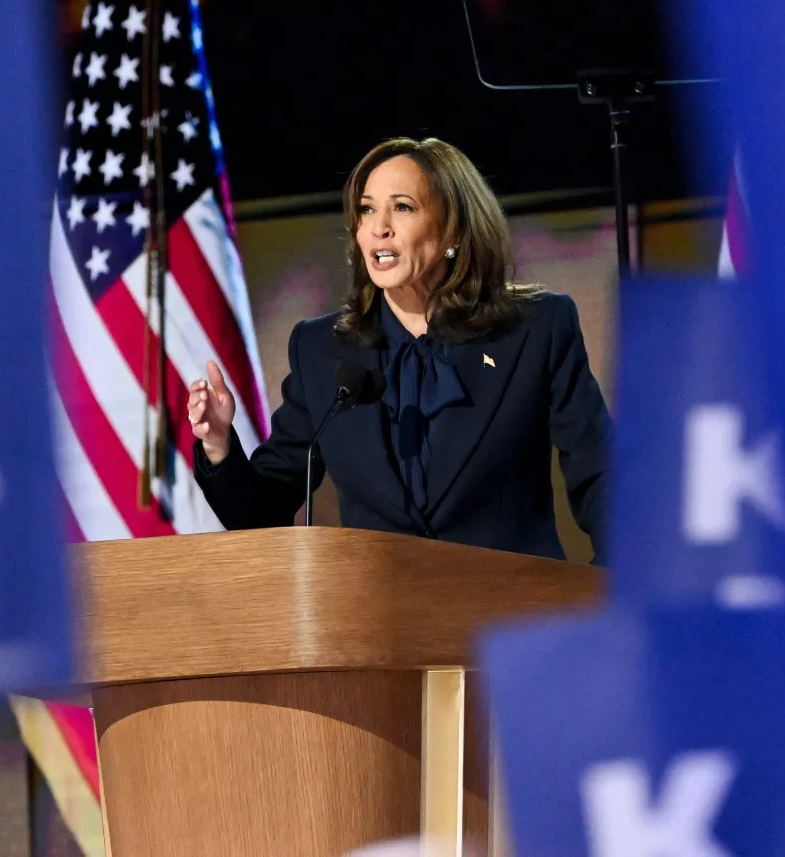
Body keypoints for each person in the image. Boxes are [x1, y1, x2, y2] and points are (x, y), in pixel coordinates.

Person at [186, 136, 610, 561]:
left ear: (454, 230)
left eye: (402, 207)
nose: (378, 226)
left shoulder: (534, 329)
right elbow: (263, 511)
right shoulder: (322, 350)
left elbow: (602, 479)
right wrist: (219, 445)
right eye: (367, 209)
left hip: (511, 618)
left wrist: (609, 594)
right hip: (381, 620)